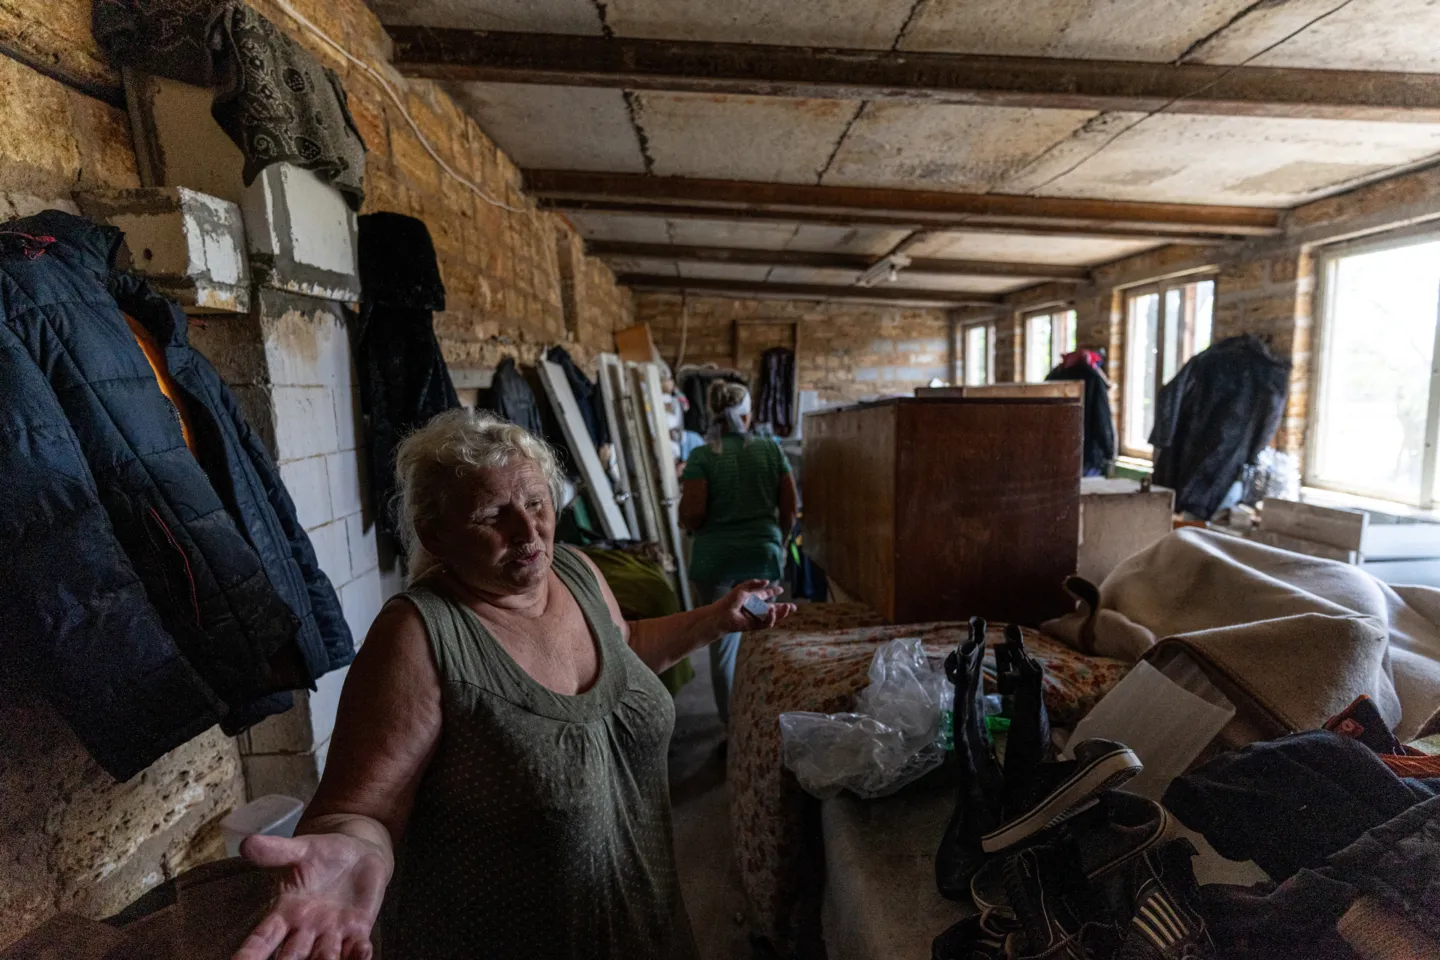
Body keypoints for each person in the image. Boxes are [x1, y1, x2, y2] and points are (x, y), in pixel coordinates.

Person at [232, 409, 793, 960]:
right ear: (436, 534)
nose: (527, 531)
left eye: (535, 503)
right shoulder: (418, 634)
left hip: (644, 921)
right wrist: (350, 848)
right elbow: (362, 810)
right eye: (492, 515)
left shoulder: (575, 570)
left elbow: (624, 649)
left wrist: (719, 618)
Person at [678, 382, 798, 725]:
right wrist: (782, 543)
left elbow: (694, 514)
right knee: (762, 637)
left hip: (715, 566)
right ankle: (763, 721)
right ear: (745, 414)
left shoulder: (702, 455)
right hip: (761, 561)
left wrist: (685, 519)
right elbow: (790, 509)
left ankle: (732, 730)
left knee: (723, 645)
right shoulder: (770, 450)